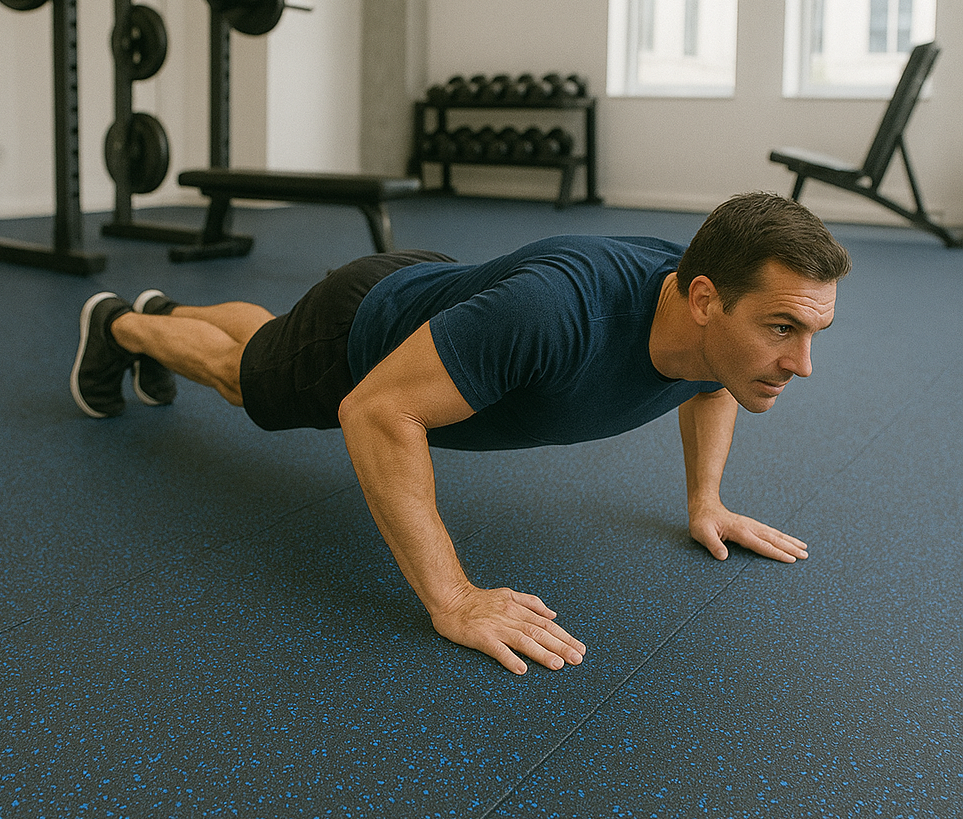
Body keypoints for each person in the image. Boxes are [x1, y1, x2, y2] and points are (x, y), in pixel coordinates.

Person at [70, 191, 850, 676]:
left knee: (266, 342)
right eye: (782, 328)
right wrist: (453, 598)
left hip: (447, 304)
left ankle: (167, 311)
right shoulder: (558, 315)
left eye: (812, 331)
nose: (801, 364)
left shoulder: (704, 319)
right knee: (249, 381)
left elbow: (711, 381)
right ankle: (124, 324)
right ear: (707, 300)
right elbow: (376, 412)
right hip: (360, 338)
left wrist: (706, 501)